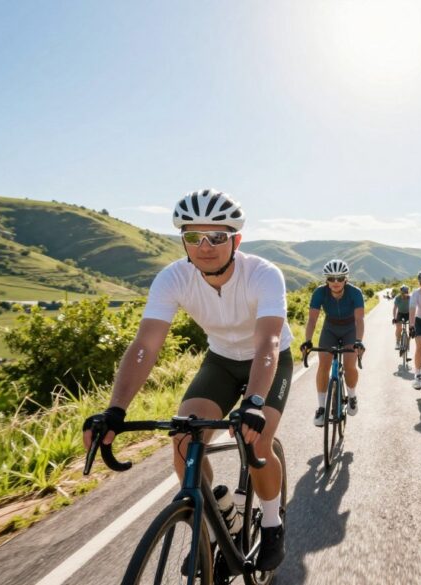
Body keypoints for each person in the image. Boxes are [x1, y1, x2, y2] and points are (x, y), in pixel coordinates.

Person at [82, 189, 291, 571]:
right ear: (183, 241)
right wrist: (115, 409)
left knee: (257, 440)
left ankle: (274, 524)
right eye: (194, 237)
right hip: (221, 362)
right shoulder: (173, 278)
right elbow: (146, 345)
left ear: (236, 240)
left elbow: (269, 342)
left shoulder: (263, 274)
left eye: (217, 237)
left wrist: (255, 404)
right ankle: (214, 527)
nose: (205, 246)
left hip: (269, 360)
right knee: (183, 441)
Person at [300, 259, 365, 424]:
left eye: (340, 278)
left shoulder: (355, 292)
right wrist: (307, 341)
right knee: (323, 367)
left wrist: (358, 341)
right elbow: (312, 320)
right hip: (330, 329)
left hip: (350, 328)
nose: (335, 282)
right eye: (331, 278)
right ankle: (321, 408)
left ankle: (352, 396)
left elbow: (359, 320)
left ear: (346, 279)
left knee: (350, 366)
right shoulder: (319, 293)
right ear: (326, 279)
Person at [393, 285, 411, 350]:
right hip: (400, 313)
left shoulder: (410, 298)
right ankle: (397, 343)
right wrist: (394, 318)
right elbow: (395, 308)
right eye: (403, 293)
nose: (405, 294)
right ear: (401, 292)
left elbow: (413, 308)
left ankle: (408, 343)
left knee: (411, 329)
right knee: (399, 328)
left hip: (408, 313)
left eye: (406, 292)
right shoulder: (398, 298)